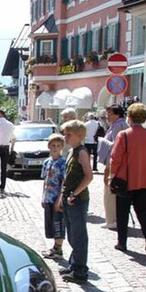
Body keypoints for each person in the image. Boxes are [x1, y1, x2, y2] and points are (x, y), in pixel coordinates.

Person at [109, 103, 146, 253]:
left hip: (125, 180)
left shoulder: (124, 135)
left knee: (122, 213)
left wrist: (111, 177)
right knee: (144, 213)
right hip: (145, 180)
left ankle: (122, 242)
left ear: (130, 117)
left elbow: (115, 158)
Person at [57, 120, 93, 283]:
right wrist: (62, 197)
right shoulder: (72, 151)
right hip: (68, 198)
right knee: (71, 234)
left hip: (77, 200)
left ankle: (80, 271)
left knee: (78, 235)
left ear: (79, 135)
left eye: (68, 134)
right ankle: (74, 265)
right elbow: (66, 177)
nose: (65, 137)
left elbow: (88, 176)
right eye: (65, 133)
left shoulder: (82, 152)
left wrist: (74, 194)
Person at [98, 104, 129, 229]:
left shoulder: (118, 126)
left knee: (109, 191)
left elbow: (116, 146)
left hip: (113, 163)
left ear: (117, 114)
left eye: (110, 114)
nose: (108, 116)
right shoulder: (120, 125)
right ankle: (113, 219)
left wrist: (102, 141)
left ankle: (111, 220)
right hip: (117, 163)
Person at [41, 134, 67, 260]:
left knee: (58, 222)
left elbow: (64, 181)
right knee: (50, 222)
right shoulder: (47, 162)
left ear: (62, 147)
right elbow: (45, 180)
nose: (55, 148)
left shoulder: (63, 163)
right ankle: (54, 247)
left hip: (57, 198)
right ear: (49, 146)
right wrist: (43, 197)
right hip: (48, 198)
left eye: (58, 146)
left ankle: (58, 248)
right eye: (53, 145)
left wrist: (60, 199)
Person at [0, 109, 15, 192]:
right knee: (3, 168)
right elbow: (13, 138)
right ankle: (2, 187)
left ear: (0, 114)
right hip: (6, 147)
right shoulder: (10, 124)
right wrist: (12, 149)